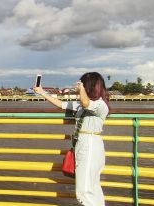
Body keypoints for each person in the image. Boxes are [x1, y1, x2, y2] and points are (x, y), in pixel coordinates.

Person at [34, 72, 110, 206]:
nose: (77, 84)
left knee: (84, 191)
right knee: (92, 187)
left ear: (88, 86)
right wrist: (41, 92)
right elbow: (61, 104)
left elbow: (86, 103)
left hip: (90, 145)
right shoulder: (81, 105)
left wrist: (81, 90)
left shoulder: (100, 105)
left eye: (81, 83)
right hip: (83, 145)